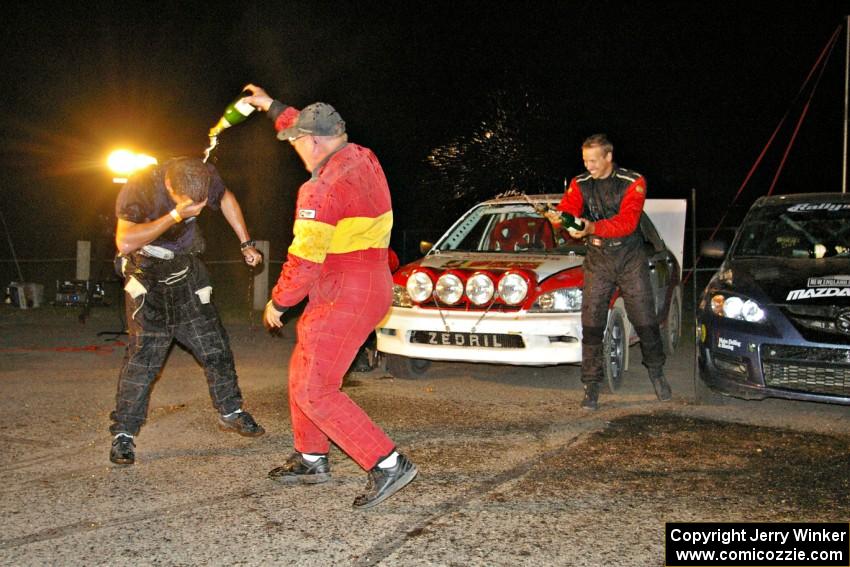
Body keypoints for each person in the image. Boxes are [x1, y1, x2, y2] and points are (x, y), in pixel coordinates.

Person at [241, 84, 417, 510]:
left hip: (345, 289)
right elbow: (309, 122)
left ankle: (387, 462)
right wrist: (272, 108)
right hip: (371, 280)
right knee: (304, 368)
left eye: (298, 142)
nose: (296, 150)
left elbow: (303, 261)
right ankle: (311, 456)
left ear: (315, 142)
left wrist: (279, 303)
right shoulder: (363, 156)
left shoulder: (320, 189)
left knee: (317, 388)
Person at [109, 157, 265, 465]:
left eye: (201, 203)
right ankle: (123, 435)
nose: (197, 209)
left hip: (187, 273)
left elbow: (228, 198)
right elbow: (124, 241)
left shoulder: (203, 173)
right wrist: (174, 215)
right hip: (146, 277)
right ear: (169, 186)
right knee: (143, 359)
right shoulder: (140, 185)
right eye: (190, 204)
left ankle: (230, 411)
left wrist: (245, 243)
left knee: (215, 347)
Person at [546, 134, 672, 410]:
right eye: (584, 160)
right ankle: (591, 386)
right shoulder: (580, 183)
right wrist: (561, 218)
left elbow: (627, 223)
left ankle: (657, 372)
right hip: (597, 257)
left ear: (608, 157)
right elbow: (568, 209)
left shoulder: (633, 182)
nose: (588, 166)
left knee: (644, 319)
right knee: (591, 322)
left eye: (593, 161)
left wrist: (591, 227)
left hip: (630, 257)